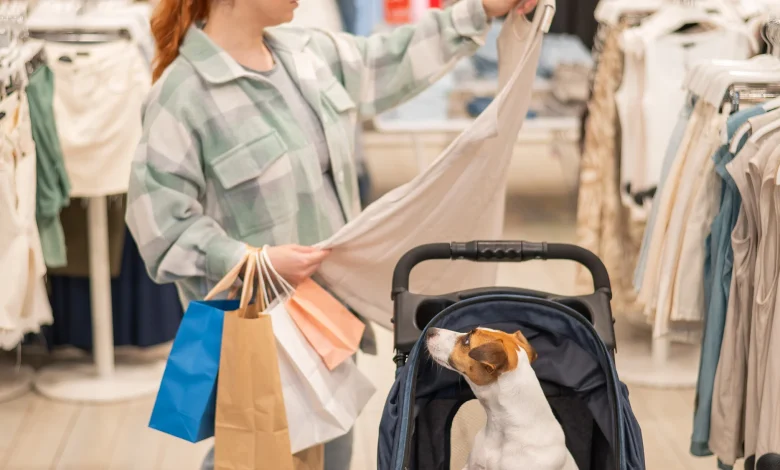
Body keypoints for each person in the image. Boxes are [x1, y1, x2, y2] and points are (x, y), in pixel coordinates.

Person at [127, 0, 538, 468]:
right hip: (262, 334)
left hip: (330, 324)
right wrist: (249, 258)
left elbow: (393, 57)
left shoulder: (308, 56)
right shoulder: (181, 95)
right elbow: (160, 225)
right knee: (254, 453)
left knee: (331, 448)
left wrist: (483, 8)